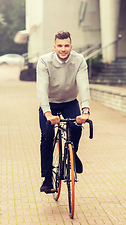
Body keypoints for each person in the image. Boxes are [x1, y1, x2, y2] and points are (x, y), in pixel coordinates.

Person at [36, 30, 91, 193]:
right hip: (49, 104)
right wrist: (47, 113)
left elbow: (83, 85)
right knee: (47, 136)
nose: (63, 49)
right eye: (60, 46)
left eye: (66, 45)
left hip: (69, 102)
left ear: (71, 46)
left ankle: (72, 155)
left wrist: (85, 109)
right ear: (54, 47)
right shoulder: (44, 61)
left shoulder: (79, 60)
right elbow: (41, 88)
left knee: (75, 127)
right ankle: (47, 178)